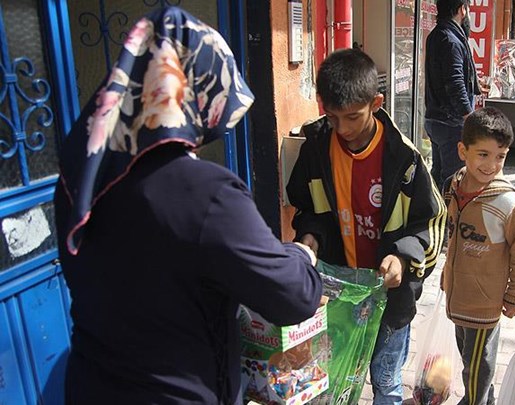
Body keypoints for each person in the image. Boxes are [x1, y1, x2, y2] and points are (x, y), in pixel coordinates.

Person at [53, 7, 323, 404]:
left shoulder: (81, 180)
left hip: (92, 387)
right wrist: (300, 255)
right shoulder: (205, 192)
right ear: (197, 89)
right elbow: (293, 296)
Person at [286, 49, 446, 405]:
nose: (343, 129)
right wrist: (310, 238)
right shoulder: (315, 147)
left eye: (353, 117)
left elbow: (433, 222)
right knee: (328, 374)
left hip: (389, 299)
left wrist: (403, 260)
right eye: (333, 116)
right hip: (335, 294)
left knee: (386, 381)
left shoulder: (404, 159)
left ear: (376, 103)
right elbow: (307, 206)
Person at [440, 107, 515, 405]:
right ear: (462, 151)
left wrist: (514, 296)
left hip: (485, 304)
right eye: (483, 154)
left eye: (500, 156)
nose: (492, 164)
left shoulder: (506, 202)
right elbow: (453, 237)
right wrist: (447, 273)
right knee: (467, 355)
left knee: (478, 367)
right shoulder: (453, 186)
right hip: (458, 296)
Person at [424, 0, 480, 190]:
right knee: (453, 180)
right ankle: (448, 218)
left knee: (439, 176)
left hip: (436, 119)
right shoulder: (451, 41)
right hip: (450, 123)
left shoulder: (436, 35)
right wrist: (469, 116)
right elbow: (454, 84)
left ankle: (435, 215)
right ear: (461, 9)